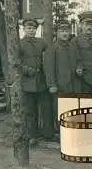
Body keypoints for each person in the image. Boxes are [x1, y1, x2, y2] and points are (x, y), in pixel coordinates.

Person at [19, 18, 54, 146]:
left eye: (33, 28)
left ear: (36, 30)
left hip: (42, 81)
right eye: (28, 28)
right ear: (24, 29)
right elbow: (15, 62)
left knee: (46, 108)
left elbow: (50, 53)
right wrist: (27, 70)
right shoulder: (19, 44)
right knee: (30, 111)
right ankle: (32, 135)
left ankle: (48, 134)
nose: (31, 30)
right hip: (27, 82)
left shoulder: (41, 42)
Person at [44, 19, 78, 134]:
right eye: (62, 31)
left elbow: (77, 61)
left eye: (67, 31)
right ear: (57, 33)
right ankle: (61, 133)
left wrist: (79, 68)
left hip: (72, 85)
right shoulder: (52, 48)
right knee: (59, 110)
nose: (65, 33)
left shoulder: (72, 47)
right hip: (59, 86)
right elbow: (48, 68)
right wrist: (51, 84)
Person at [71, 12, 92, 92]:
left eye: (90, 25)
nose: (89, 27)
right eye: (86, 25)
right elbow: (74, 59)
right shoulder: (75, 41)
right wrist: (79, 67)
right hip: (83, 78)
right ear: (81, 25)